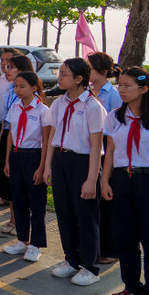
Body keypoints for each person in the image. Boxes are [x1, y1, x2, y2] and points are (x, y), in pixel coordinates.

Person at [43, 58, 106, 287]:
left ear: (79, 79)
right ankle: (71, 260)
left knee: (85, 216)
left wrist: (92, 179)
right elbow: (52, 137)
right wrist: (49, 165)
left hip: (83, 163)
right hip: (61, 159)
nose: (59, 77)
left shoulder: (92, 106)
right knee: (64, 213)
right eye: (59, 73)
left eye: (64, 74)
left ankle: (90, 266)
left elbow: (96, 146)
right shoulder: (59, 103)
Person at [101, 67, 149, 295]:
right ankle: (131, 287)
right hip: (122, 180)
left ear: (144, 89)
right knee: (125, 238)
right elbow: (109, 151)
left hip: (147, 181)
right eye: (119, 85)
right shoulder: (114, 117)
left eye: (127, 86)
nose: (121, 90)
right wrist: (105, 181)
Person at [2, 71, 52, 263]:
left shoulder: (42, 111)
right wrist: (7, 160)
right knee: (19, 200)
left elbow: (46, 141)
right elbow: (11, 135)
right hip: (16, 156)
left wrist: (42, 168)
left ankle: (36, 244)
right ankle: (22, 240)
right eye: (16, 86)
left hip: (34, 157)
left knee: (37, 204)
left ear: (34, 88)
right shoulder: (15, 107)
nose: (18, 90)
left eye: (22, 86)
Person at [88, 51, 123, 265]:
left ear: (102, 71)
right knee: (95, 204)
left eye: (90, 68)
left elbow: (117, 129)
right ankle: (96, 247)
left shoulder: (113, 95)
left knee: (108, 204)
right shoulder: (91, 92)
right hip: (93, 151)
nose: (87, 72)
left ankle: (111, 249)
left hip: (108, 154)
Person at [0, 54, 34, 236]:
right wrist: (1, 137)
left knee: (22, 183)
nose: (6, 71)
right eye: (6, 67)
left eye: (11, 67)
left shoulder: (32, 94)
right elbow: (6, 119)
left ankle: (22, 221)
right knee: (9, 180)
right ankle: (13, 218)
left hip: (24, 139)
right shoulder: (10, 89)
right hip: (8, 134)